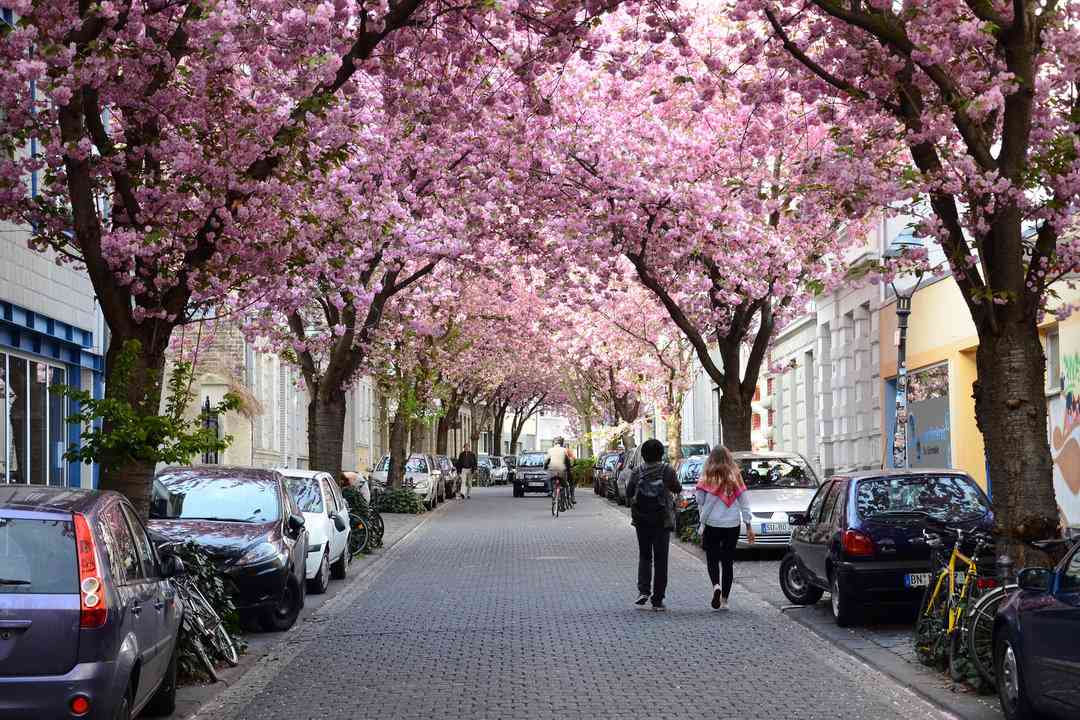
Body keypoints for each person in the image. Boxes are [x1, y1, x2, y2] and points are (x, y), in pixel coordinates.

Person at [694, 446, 756, 611]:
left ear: (711, 458)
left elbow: (699, 499)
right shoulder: (735, 476)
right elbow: (744, 501)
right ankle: (725, 600)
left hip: (712, 523)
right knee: (727, 561)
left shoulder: (707, 475)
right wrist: (748, 525)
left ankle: (716, 585)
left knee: (712, 558)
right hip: (732, 523)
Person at [626, 439, 681, 611]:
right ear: (661, 454)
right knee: (660, 559)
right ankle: (657, 599)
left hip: (642, 519)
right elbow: (677, 489)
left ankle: (643, 591)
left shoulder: (637, 471)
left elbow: (628, 493)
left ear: (643, 455)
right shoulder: (667, 471)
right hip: (662, 520)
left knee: (645, 556)